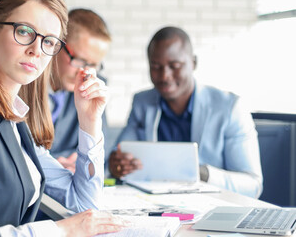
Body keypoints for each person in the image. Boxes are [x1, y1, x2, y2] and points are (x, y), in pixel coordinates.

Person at [0, 0, 126, 236]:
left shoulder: (16, 120)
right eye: (24, 31)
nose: (36, 50)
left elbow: (85, 204)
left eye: (49, 41)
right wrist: (60, 230)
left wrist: (89, 121)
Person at [108, 26, 263, 198]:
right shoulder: (142, 103)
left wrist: (202, 174)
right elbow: (119, 154)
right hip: (154, 205)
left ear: (193, 63)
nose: (164, 76)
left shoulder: (229, 108)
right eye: (155, 66)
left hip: (212, 205)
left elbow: (253, 185)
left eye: (174, 66)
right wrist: (116, 165)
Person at [49, 8, 111, 173]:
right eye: (80, 60)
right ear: (56, 45)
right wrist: (51, 164)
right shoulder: (25, 83)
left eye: (93, 65)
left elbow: (101, 151)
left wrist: (85, 159)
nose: (84, 72)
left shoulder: (93, 85)